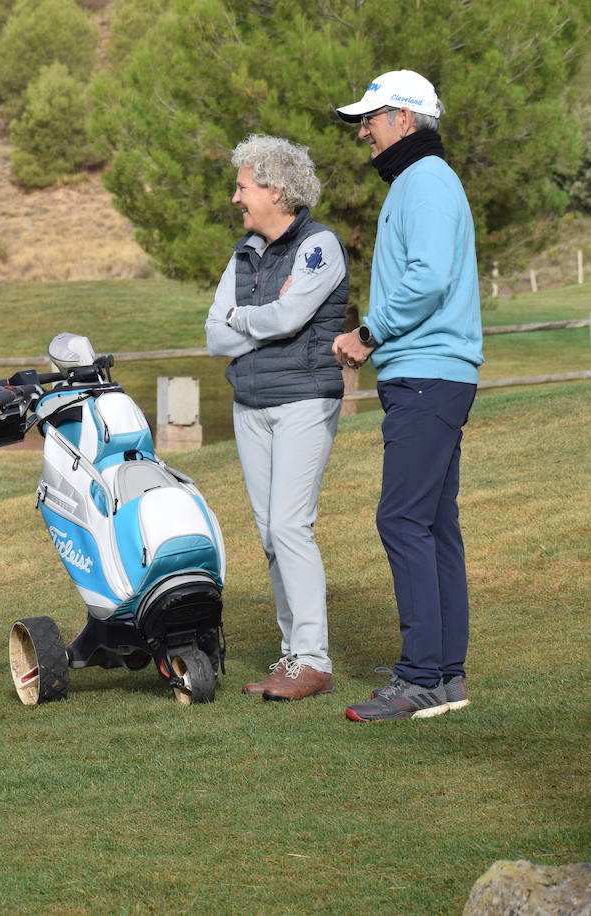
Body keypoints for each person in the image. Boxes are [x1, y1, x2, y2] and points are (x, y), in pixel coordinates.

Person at [332, 71, 484, 722]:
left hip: (426, 372)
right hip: (435, 373)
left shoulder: (424, 181)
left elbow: (426, 276)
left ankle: (421, 676)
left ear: (404, 118)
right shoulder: (424, 181)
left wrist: (368, 333)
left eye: (371, 117)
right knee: (432, 524)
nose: (363, 130)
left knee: (401, 520)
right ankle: (444, 676)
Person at [205, 135, 348, 702]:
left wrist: (245, 317)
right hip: (251, 406)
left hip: (304, 401)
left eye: (243, 186)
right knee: (269, 535)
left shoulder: (319, 247)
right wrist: (252, 317)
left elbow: (292, 317)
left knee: (290, 526)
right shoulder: (242, 254)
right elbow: (215, 336)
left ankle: (313, 660)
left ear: (275, 188)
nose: (236, 196)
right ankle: (292, 657)